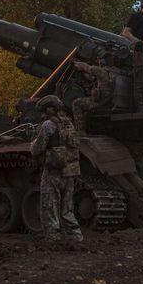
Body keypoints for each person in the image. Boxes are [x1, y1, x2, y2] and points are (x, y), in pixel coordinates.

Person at [30, 94, 83, 244]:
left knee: (49, 206)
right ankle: (76, 237)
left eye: (44, 111)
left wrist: (32, 141)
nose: (42, 114)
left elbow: (37, 149)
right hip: (70, 171)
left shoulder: (48, 125)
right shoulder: (70, 124)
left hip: (53, 172)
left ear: (50, 109)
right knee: (67, 209)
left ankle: (53, 239)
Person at [71, 53, 118, 133]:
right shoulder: (114, 71)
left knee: (76, 103)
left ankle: (81, 131)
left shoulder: (100, 71)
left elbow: (85, 67)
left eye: (99, 59)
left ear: (102, 61)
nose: (98, 61)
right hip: (110, 100)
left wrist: (75, 63)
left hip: (101, 101)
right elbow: (92, 78)